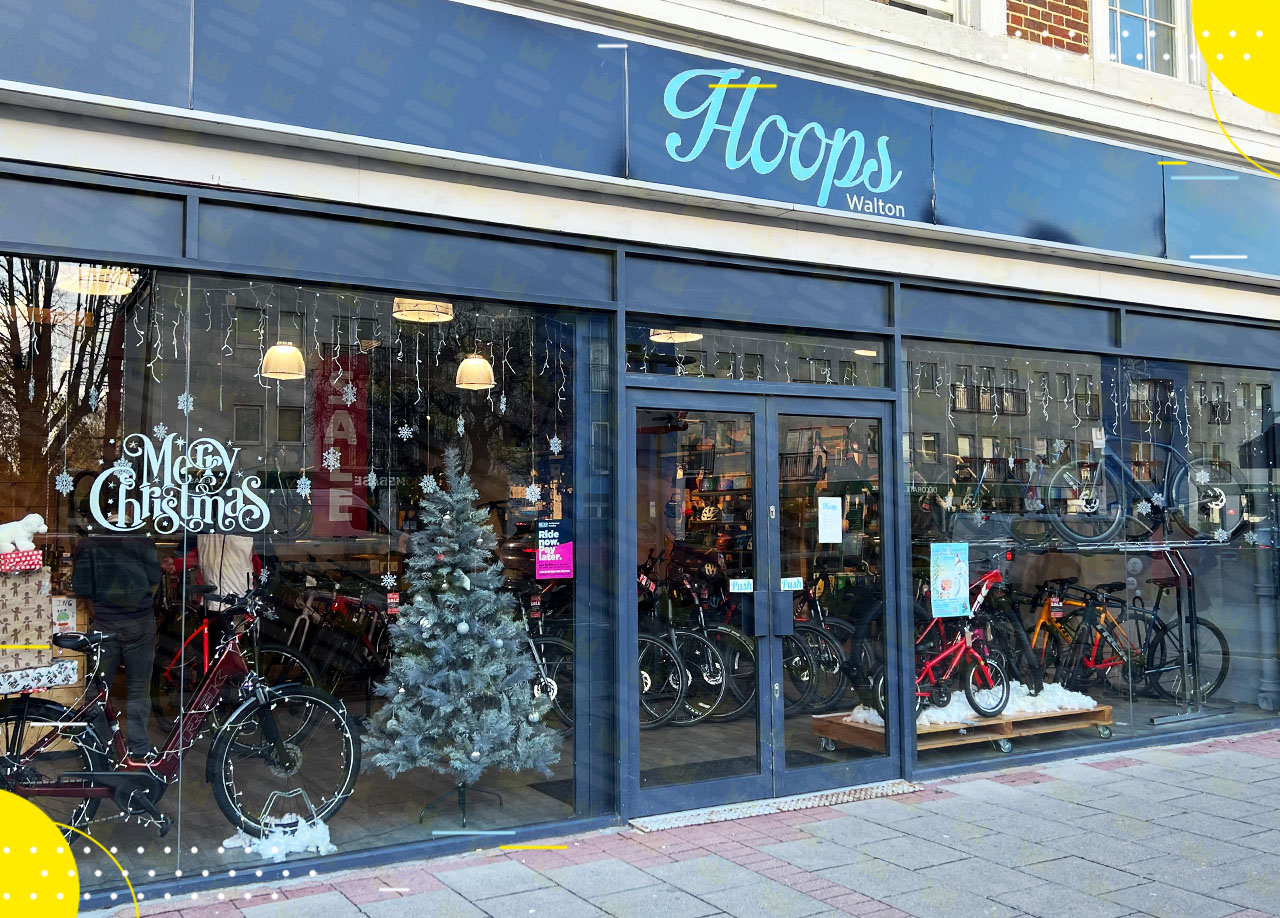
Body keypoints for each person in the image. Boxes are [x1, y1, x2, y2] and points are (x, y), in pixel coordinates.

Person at [71, 528, 163, 759]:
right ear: (130, 510)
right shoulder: (142, 539)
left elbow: (81, 586)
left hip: (104, 624)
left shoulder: (88, 542)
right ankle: (139, 746)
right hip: (139, 623)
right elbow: (154, 578)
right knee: (138, 689)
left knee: (97, 691)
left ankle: (99, 747)